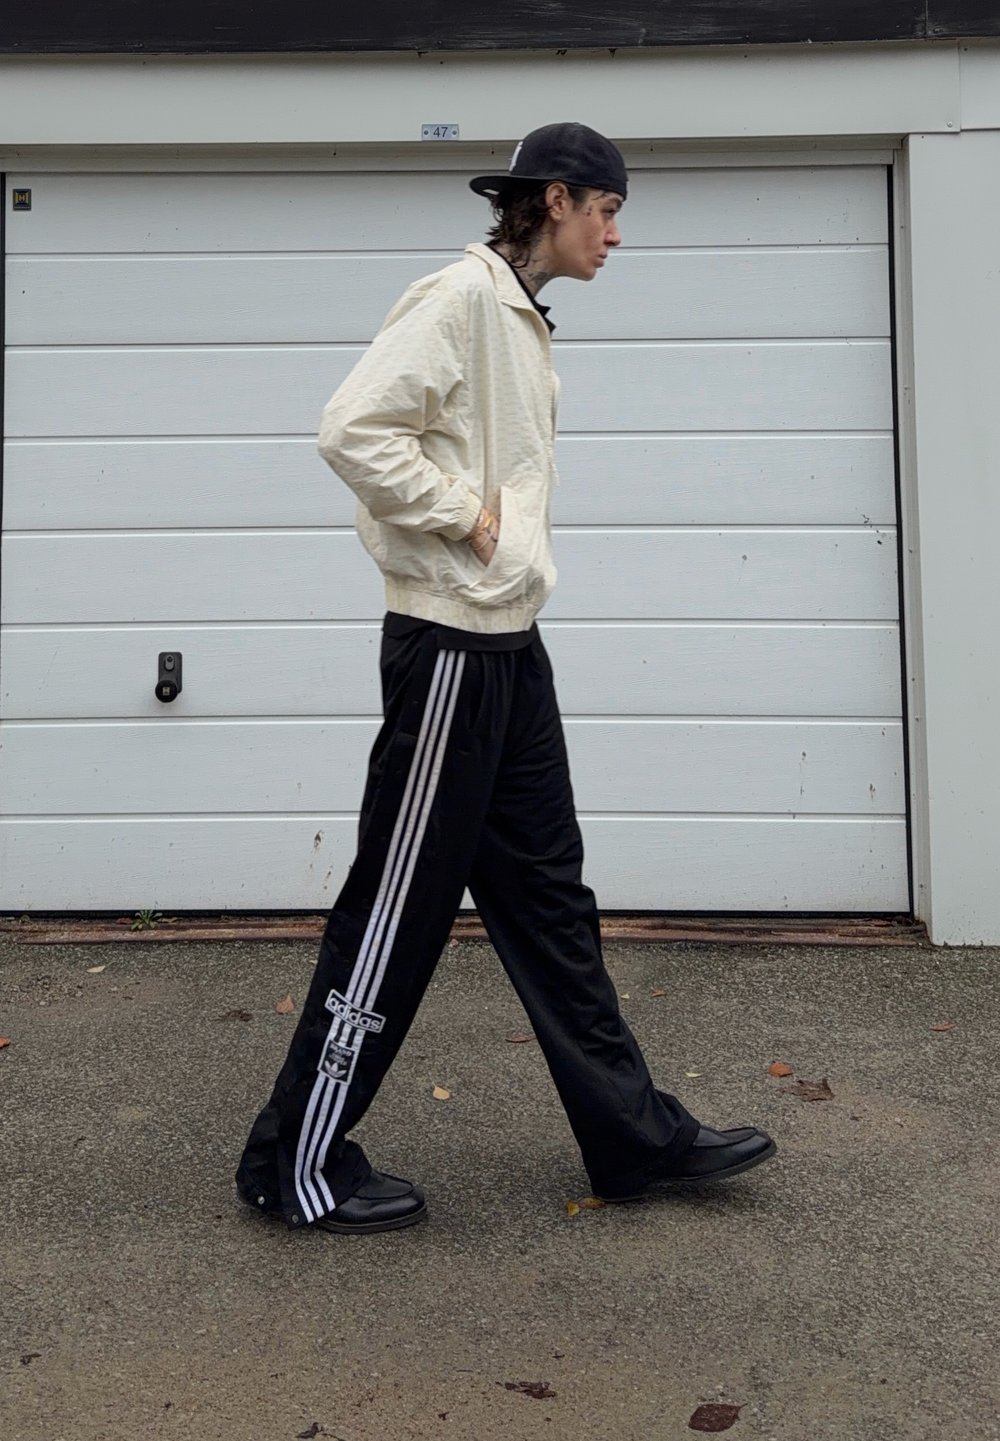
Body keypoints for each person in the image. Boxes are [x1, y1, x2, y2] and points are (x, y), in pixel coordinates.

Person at [236, 122, 776, 1235]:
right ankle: (293, 1161)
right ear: (559, 198)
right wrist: (468, 521)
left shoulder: (521, 317)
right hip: (450, 650)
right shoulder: (461, 298)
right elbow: (353, 430)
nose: (617, 235)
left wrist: (499, 552)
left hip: (509, 645)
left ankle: (632, 1138)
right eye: (609, 212)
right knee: (394, 910)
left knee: (549, 902)